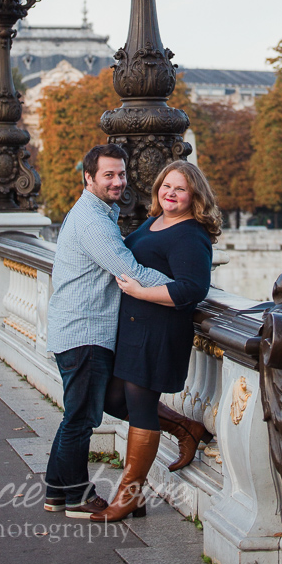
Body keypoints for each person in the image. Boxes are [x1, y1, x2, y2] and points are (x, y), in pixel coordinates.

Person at [44, 144, 173, 518]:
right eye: (109, 175)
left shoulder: (95, 212)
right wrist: (184, 289)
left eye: (121, 174)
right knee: (81, 418)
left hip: (78, 328)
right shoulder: (93, 222)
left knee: (77, 413)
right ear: (88, 178)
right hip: (85, 332)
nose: (118, 182)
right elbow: (129, 271)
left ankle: (57, 492)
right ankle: (77, 498)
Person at [91, 160, 220, 523]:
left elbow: (193, 288)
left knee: (140, 407)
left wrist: (142, 292)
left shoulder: (191, 234)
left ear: (194, 195)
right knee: (111, 398)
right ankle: (185, 427)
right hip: (133, 328)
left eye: (179, 188)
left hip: (158, 331)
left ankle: (129, 495)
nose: (170, 193)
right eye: (166, 186)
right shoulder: (154, 221)